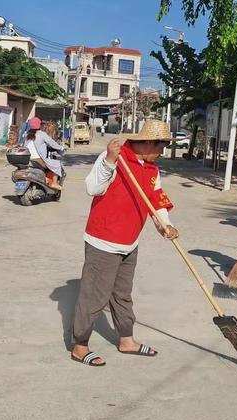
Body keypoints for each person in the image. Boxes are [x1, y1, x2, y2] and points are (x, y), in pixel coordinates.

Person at [71, 120, 179, 366]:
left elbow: (157, 200)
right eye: (162, 146)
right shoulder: (115, 157)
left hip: (130, 241)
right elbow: (92, 188)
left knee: (122, 295)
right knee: (95, 296)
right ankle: (80, 345)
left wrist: (165, 224)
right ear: (150, 143)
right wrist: (109, 161)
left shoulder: (152, 170)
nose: (162, 153)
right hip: (104, 240)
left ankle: (126, 340)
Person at [25, 117, 64, 190]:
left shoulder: (26, 135)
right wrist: (61, 148)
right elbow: (52, 143)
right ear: (39, 125)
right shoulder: (41, 134)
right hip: (38, 159)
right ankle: (54, 183)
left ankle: (45, 179)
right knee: (57, 164)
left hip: (27, 159)